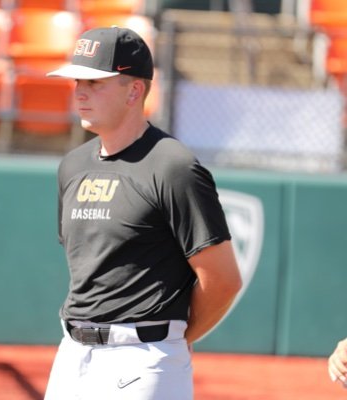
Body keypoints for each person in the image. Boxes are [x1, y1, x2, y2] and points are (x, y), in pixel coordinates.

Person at [44, 26, 242, 400]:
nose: (80, 92)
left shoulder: (173, 166)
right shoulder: (72, 166)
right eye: (76, 81)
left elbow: (223, 279)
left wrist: (177, 339)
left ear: (134, 90)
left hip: (142, 359)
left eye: (95, 82)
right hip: (72, 353)